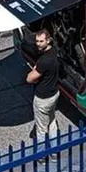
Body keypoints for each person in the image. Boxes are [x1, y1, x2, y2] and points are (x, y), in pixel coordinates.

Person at [26, 29, 60, 162]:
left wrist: (34, 70)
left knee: (41, 129)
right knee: (52, 122)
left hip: (42, 98)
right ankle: (55, 153)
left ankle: (41, 156)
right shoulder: (54, 52)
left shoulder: (43, 61)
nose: (38, 44)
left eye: (41, 41)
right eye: (37, 41)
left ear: (48, 40)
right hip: (54, 93)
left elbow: (29, 79)